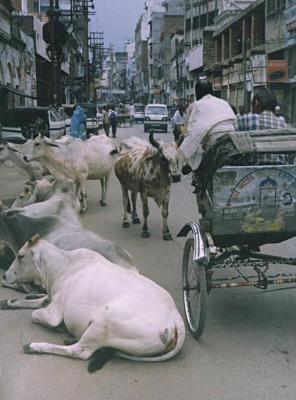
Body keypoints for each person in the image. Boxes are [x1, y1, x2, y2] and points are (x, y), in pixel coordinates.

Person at [179, 79, 236, 172]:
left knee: (198, 152)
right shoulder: (223, 102)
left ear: (197, 93)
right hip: (232, 139)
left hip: (214, 142)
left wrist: (181, 158)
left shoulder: (197, 105)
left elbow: (193, 133)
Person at [235, 87, 288, 165]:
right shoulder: (282, 122)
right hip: (280, 169)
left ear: (256, 103)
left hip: (252, 169)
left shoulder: (247, 119)